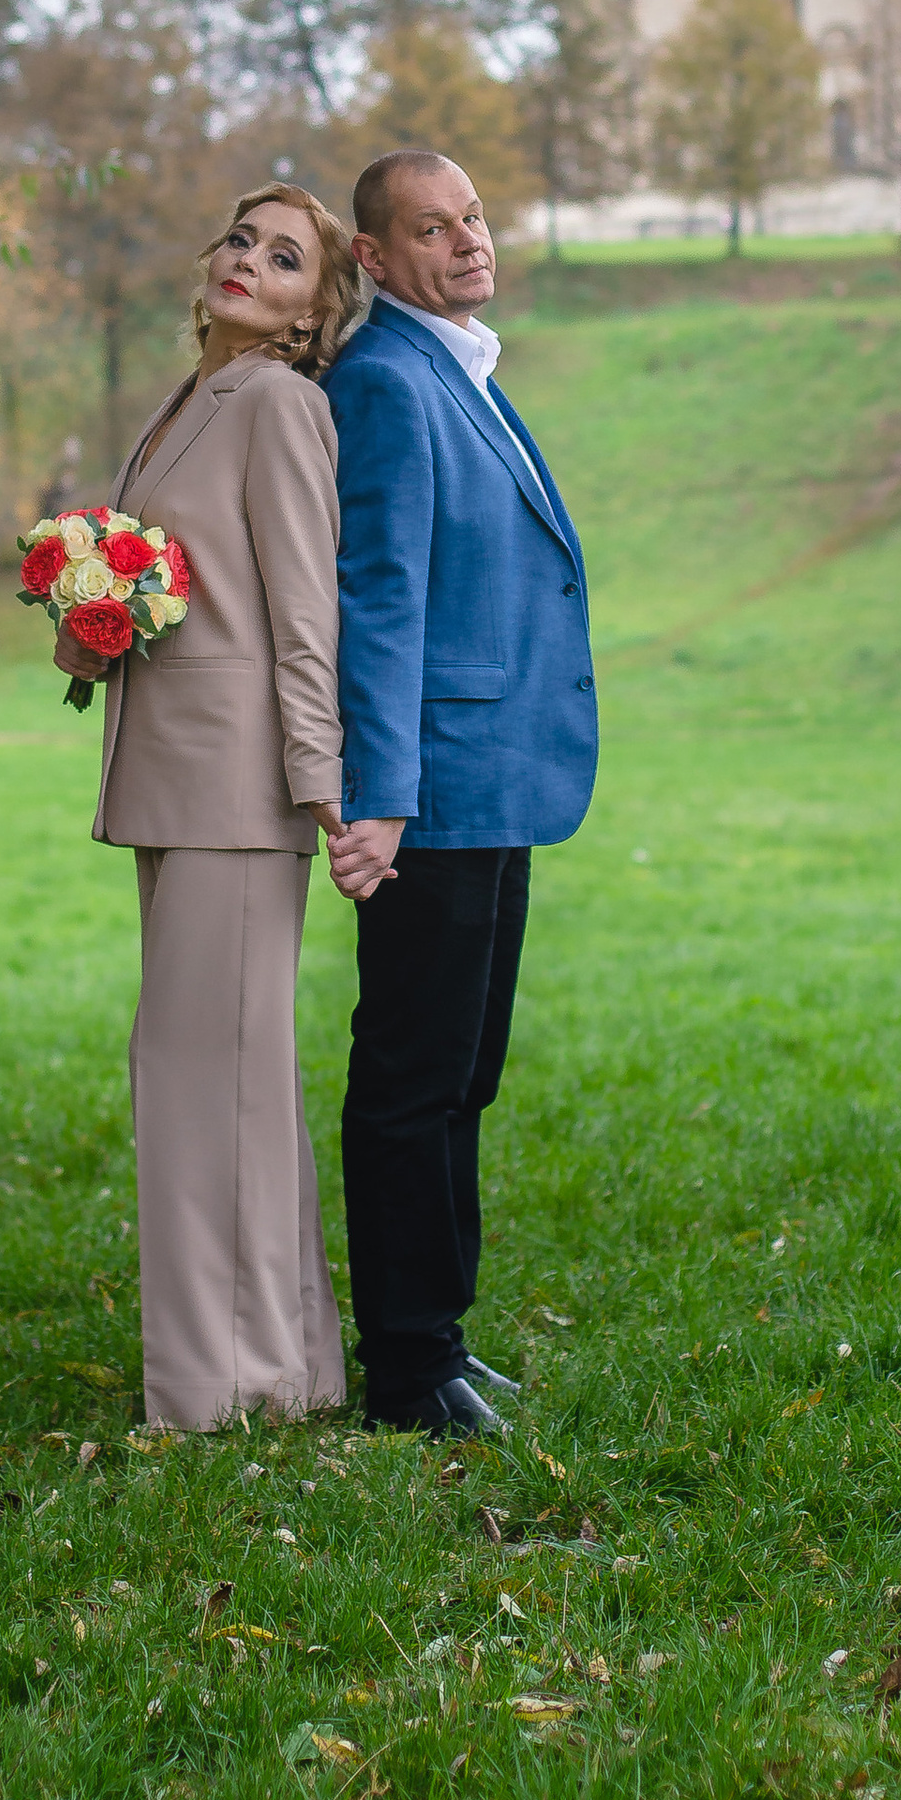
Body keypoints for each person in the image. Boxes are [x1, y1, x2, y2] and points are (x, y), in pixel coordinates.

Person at [58, 185, 368, 1430]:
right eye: (243, 239)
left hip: (242, 790)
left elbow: (304, 614)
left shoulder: (283, 405)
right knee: (219, 1077)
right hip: (171, 777)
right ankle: (281, 1371)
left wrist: (322, 788)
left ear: (311, 311)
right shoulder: (191, 399)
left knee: (205, 1079)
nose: (249, 261)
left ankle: (218, 1392)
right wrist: (93, 624)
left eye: (284, 257)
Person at [319, 147, 597, 1437]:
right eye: (433, 229)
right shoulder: (384, 380)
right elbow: (378, 593)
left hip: (493, 776)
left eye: (475, 216)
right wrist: (380, 790)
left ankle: (440, 1341)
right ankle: (408, 1367)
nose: (468, 242)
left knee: (463, 1075)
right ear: (375, 259)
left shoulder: (461, 367)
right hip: (432, 784)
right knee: (412, 1076)